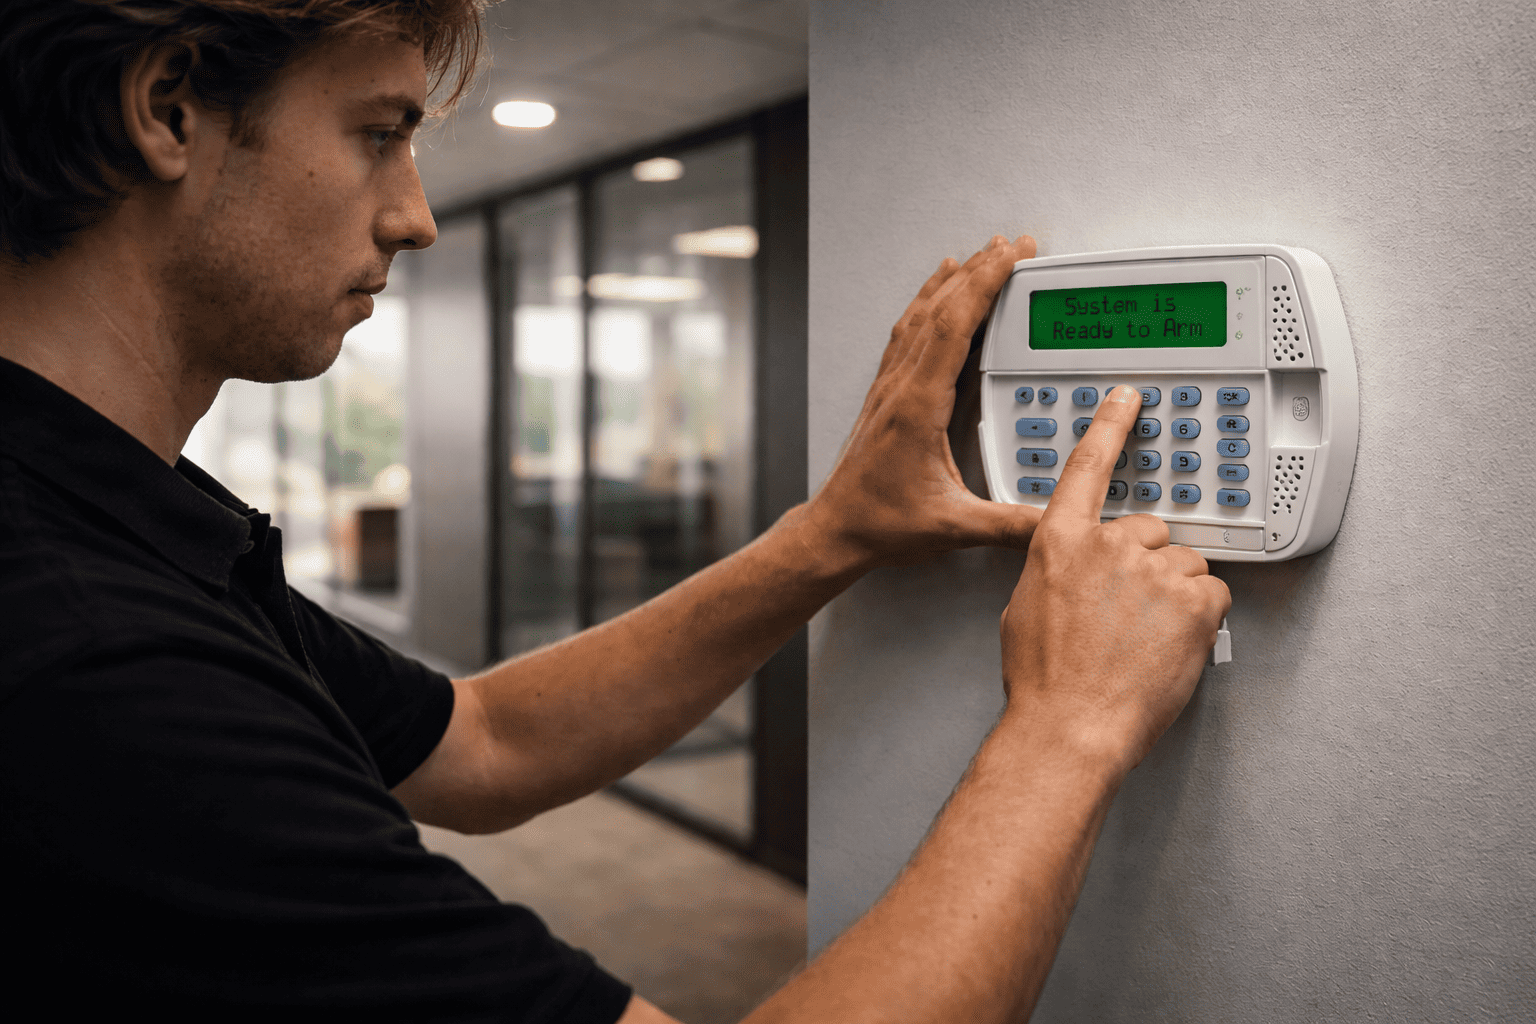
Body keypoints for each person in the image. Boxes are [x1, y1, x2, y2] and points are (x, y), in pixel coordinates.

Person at [0, 1, 1230, 1020]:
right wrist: (1069, 728)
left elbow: (482, 743)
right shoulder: (84, 650)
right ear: (169, 108)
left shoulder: (116, 513)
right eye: (378, 131)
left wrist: (833, 531)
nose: (413, 214)